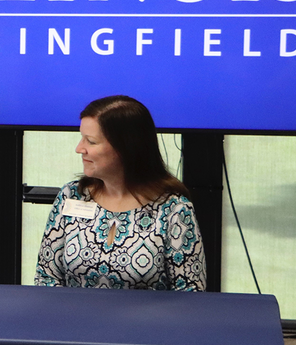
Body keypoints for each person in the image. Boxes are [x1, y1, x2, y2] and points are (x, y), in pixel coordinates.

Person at [34, 95, 206, 290]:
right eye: (81, 138)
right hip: (75, 319)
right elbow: (46, 278)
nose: (79, 149)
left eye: (91, 141)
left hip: (149, 321)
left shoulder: (174, 210)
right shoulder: (72, 195)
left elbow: (190, 293)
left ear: (125, 148)